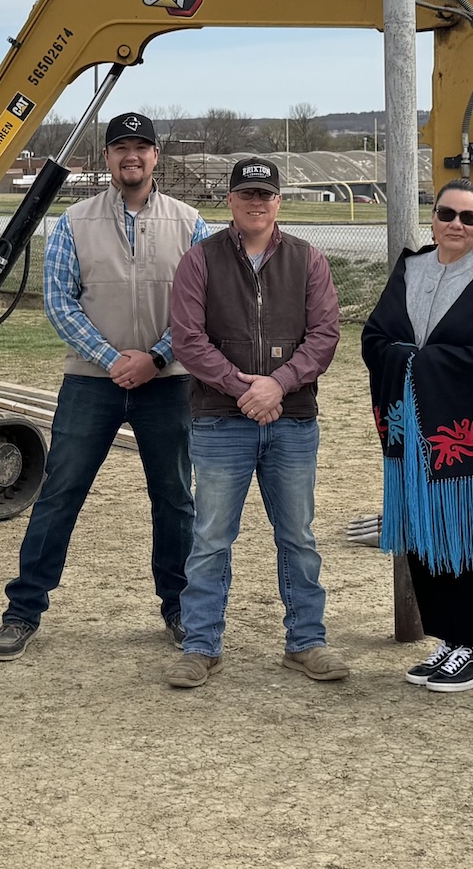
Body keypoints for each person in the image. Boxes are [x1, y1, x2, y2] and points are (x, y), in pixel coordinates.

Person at [0, 111, 210, 661]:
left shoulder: (191, 223)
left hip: (168, 384)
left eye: (141, 147)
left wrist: (155, 358)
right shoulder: (73, 222)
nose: (130, 157)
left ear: (157, 156)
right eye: (119, 148)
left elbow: (200, 310)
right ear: (106, 158)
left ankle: (179, 605)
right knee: (60, 494)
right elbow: (60, 304)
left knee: (176, 499)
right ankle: (23, 610)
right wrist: (114, 359)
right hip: (93, 381)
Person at [164, 156, 347, 687]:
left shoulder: (308, 261)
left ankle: (306, 642)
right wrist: (245, 387)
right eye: (246, 194)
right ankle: (201, 646)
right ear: (230, 200)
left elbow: (325, 335)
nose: (256, 203)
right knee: (211, 538)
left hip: (291, 421)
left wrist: (279, 384)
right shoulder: (199, 261)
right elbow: (188, 339)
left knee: (298, 538)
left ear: (278, 202)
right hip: (222, 421)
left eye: (265, 195)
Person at [361, 180, 473, 693]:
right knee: (425, 536)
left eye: (469, 217)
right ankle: (450, 638)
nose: (457, 225)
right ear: (433, 216)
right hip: (419, 438)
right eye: (447, 214)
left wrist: (428, 362)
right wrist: (407, 360)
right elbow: (376, 336)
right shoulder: (410, 270)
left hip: (472, 443)